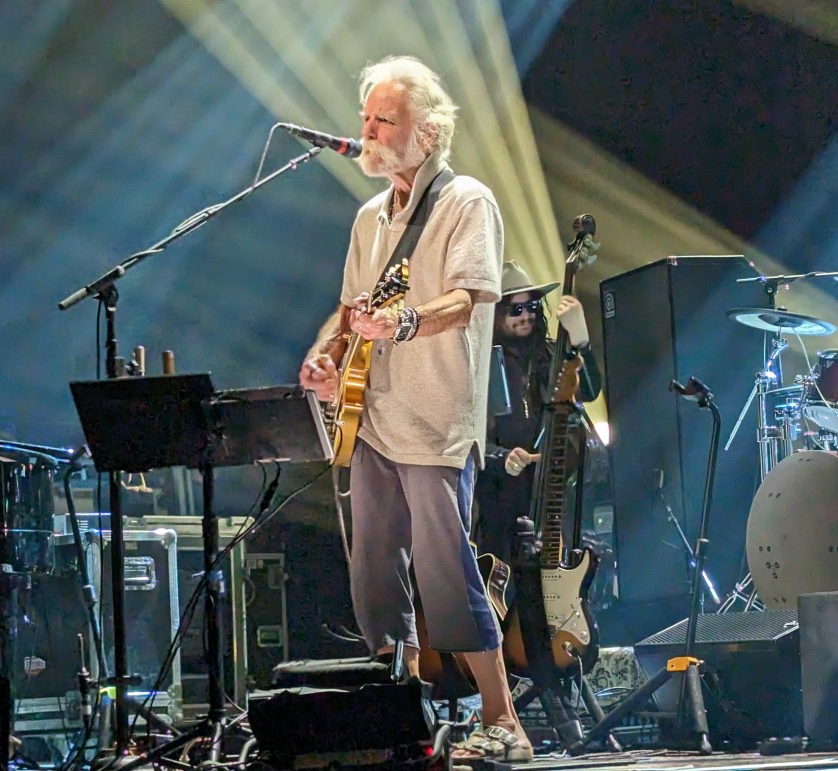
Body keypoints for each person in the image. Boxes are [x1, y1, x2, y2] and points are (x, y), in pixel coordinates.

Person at [298, 55, 531, 761]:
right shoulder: (369, 218)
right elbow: (350, 310)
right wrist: (325, 356)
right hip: (372, 417)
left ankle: (504, 720)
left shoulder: (466, 202)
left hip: (435, 420)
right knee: (373, 572)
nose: (367, 131)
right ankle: (397, 715)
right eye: (365, 118)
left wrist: (401, 323)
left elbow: (466, 299)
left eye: (384, 120)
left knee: (444, 570)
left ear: (427, 133)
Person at [475, 260, 601, 563]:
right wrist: (501, 457)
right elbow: (468, 433)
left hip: (553, 495)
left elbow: (589, 390)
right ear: (496, 314)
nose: (526, 316)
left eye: (531, 306)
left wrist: (581, 340)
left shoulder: (551, 354)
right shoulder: (480, 364)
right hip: (501, 498)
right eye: (515, 310)